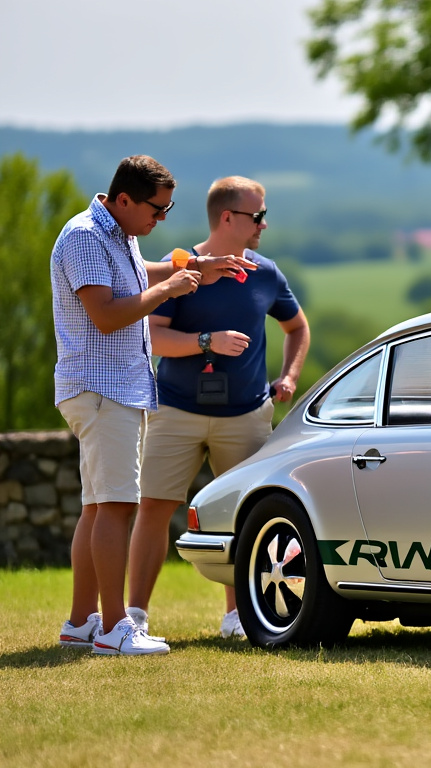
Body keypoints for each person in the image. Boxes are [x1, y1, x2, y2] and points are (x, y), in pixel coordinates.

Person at [52, 156, 252, 656]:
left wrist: (197, 269)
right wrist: (168, 289)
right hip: (103, 389)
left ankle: (81, 623)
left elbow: (140, 273)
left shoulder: (117, 233)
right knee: (117, 507)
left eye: (167, 210)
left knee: (98, 507)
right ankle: (116, 629)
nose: (160, 220)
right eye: (156, 210)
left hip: (111, 389)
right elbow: (107, 314)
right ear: (124, 199)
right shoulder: (83, 237)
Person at [127, 176, 309, 640]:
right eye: (258, 216)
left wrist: (288, 377)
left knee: (246, 514)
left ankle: (238, 616)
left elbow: (297, 328)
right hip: (176, 409)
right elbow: (152, 338)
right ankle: (135, 616)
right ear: (227, 218)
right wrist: (207, 342)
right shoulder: (179, 266)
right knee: (154, 507)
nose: (264, 225)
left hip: (247, 413)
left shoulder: (266, 273)